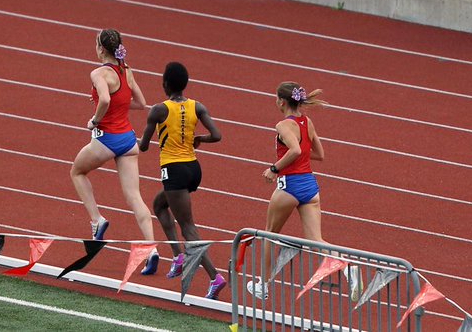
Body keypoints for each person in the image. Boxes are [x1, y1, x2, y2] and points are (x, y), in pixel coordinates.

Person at [247, 82, 358, 301]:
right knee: (315, 240)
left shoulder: (283, 125)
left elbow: (296, 150)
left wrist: (274, 169)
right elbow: (319, 154)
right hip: (310, 186)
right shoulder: (308, 122)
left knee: (269, 234)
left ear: (282, 101)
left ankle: (263, 285)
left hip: (290, 184)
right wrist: (296, 157)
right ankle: (346, 266)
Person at [69, 29, 159, 275]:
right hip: (128, 140)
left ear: (101, 49)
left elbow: (106, 100)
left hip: (107, 139)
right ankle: (152, 249)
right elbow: (140, 103)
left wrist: (95, 120)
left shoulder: (98, 73)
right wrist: (115, 106)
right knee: (135, 197)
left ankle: (97, 220)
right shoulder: (126, 70)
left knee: (77, 172)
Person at [138, 61, 227, 300]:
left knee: (188, 227)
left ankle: (214, 277)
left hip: (174, 170)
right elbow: (217, 135)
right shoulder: (197, 106)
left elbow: (143, 146)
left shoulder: (158, 110)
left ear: (165, 84)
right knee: (159, 205)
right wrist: (200, 139)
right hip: (193, 169)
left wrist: (130, 141)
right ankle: (178, 256)